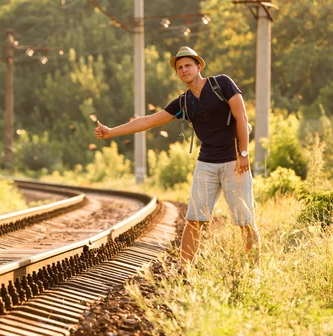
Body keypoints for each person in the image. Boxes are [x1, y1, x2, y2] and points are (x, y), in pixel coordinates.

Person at [94, 46, 260, 272]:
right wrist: (111, 131)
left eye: (188, 65)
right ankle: (185, 271)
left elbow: (241, 116)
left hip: (234, 161)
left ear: (198, 66)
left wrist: (243, 153)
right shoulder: (184, 102)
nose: (184, 70)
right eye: (179, 68)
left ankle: (254, 271)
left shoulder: (221, 84)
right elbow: (148, 121)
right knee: (193, 220)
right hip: (206, 163)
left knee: (245, 221)